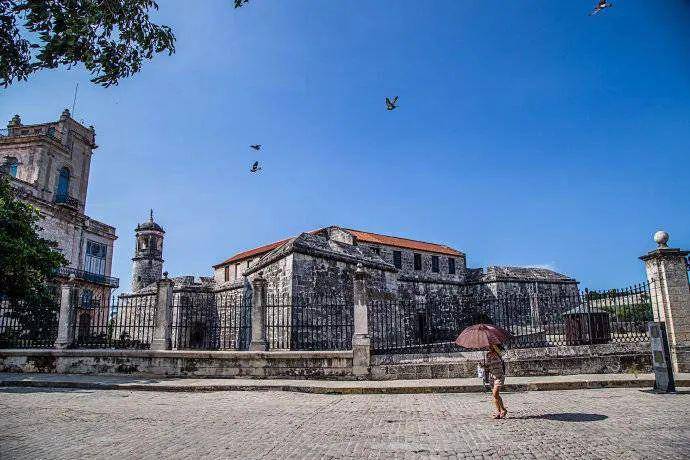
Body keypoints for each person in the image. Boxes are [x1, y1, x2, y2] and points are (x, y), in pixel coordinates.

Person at [484, 343, 508, 419]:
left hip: (499, 376)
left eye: (490, 345)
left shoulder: (499, 353)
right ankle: (499, 412)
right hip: (492, 376)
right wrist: (483, 366)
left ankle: (503, 409)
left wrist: (493, 344)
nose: (488, 346)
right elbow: (487, 367)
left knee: (495, 393)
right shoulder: (488, 355)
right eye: (488, 345)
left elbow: (503, 353)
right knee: (495, 395)